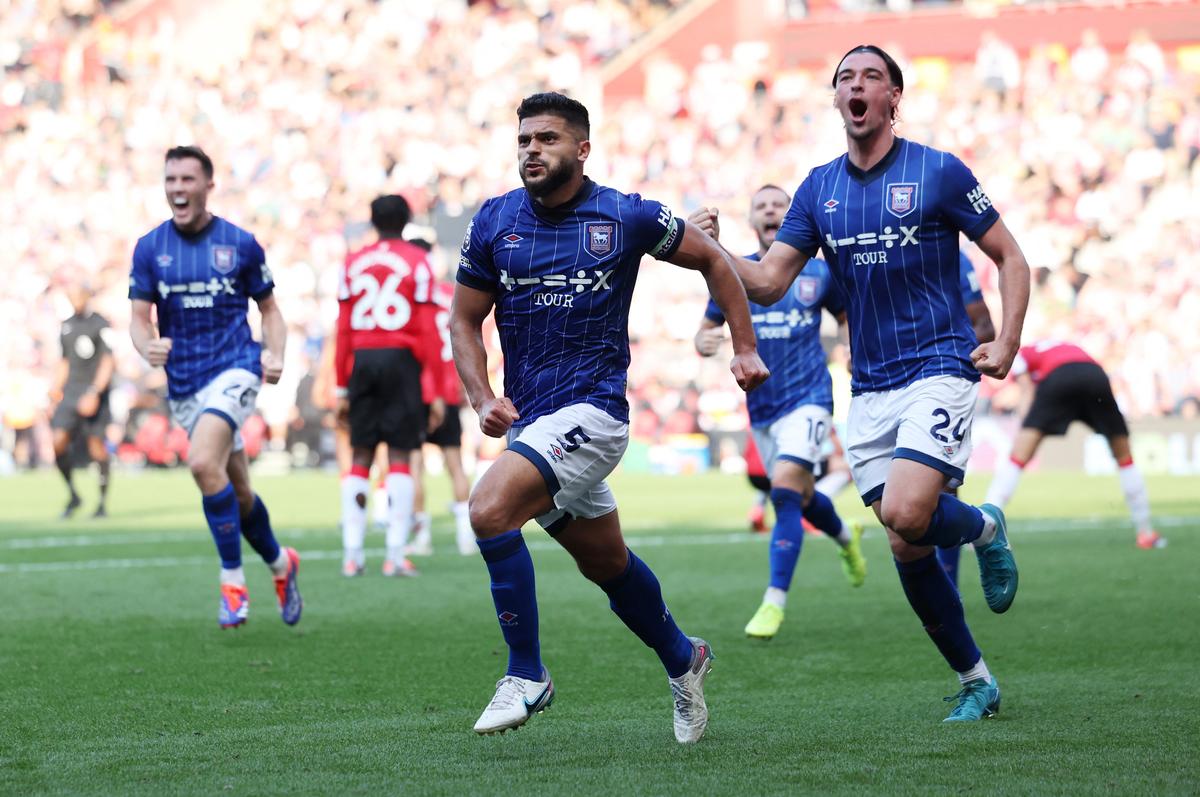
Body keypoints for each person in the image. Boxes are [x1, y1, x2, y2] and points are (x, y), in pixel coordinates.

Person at [696, 45, 1031, 721]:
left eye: (871, 76)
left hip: (939, 364)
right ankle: (977, 680)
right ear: (837, 100)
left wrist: (1008, 339)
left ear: (893, 98)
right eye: (845, 77)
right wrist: (711, 249)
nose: (856, 85)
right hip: (870, 386)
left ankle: (986, 527)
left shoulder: (936, 171)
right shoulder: (818, 188)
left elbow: (1011, 256)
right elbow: (765, 280)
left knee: (909, 513)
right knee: (904, 540)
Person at [451, 92, 769, 743]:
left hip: (594, 414)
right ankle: (685, 657)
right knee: (607, 564)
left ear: (582, 148)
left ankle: (526, 673)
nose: (532, 150)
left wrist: (743, 346)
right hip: (533, 424)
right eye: (524, 141)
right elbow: (462, 317)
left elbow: (711, 256)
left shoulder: (624, 215)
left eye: (546, 139)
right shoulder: (493, 221)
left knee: (487, 510)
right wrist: (482, 395)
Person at [129, 145, 302, 629]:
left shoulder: (240, 243)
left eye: (187, 179)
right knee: (238, 491)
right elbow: (139, 320)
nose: (178, 188)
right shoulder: (150, 248)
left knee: (202, 461)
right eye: (171, 180)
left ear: (208, 185)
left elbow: (269, 310)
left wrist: (276, 355)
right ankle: (281, 564)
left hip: (235, 367)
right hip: (184, 381)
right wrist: (147, 347)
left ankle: (232, 583)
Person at [691, 186, 867, 642]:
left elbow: (845, 315)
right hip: (762, 405)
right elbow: (706, 330)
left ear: (790, 219)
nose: (771, 210)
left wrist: (850, 345)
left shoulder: (817, 273)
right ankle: (846, 536)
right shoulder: (733, 273)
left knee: (785, 495)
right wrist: (705, 341)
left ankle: (774, 601)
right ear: (751, 220)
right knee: (802, 497)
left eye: (779, 205)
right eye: (761, 206)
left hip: (809, 397)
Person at [335, 195, 444, 578]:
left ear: (373, 220)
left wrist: (339, 386)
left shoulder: (352, 262)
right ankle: (395, 555)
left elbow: (343, 328)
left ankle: (352, 555)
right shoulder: (418, 262)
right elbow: (429, 330)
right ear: (406, 221)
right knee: (400, 457)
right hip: (402, 362)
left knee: (360, 457)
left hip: (362, 361)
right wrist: (433, 389)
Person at [983, 340, 1164, 549]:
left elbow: (1026, 391)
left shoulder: (1021, 354)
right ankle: (1145, 532)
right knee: (1125, 458)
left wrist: (1027, 423)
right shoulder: (1065, 346)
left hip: (1059, 378)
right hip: (1094, 375)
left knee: (1017, 458)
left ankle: (987, 529)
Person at [936, 251, 997, 586]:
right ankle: (981, 525)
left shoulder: (953, 257)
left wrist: (959, 372)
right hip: (885, 382)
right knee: (896, 499)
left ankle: (948, 588)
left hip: (942, 377)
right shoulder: (873, 243)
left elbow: (984, 323)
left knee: (941, 485)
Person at [409, 273, 476, 557]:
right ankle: (466, 536)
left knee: (413, 464)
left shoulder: (412, 295)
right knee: (456, 465)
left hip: (419, 390)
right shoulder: (450, 292)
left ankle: (421, 538)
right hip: (449, 389)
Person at [50, 283, 114, 518]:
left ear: (87, 296)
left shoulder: (100, 324)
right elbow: (64, 362)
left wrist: (95, 392)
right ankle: (73, 495)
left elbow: (108, 361)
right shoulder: (67, 326)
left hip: (93, 392)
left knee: (96, 448)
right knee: (57, 441)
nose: (75, 300)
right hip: (70, 392)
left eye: (78, 295)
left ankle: (102, 503)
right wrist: (54, 390)